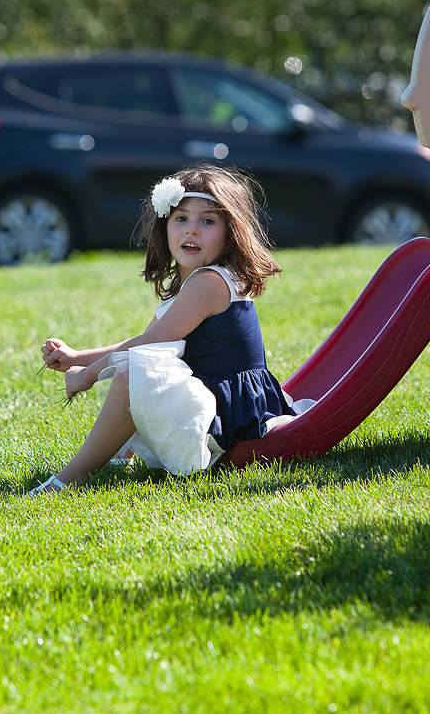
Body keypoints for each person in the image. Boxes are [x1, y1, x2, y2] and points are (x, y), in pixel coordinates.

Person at [29, 165, 307, 496]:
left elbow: (147, 344)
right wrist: (78, 358)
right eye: (181, 219)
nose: (192, 230)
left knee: (135, 374)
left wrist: (85, 375)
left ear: (230, 232)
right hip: (215, 397)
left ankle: (74, 475)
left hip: (232, 413)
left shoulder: (210, 282)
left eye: (207, 221)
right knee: (144, 366)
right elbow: (144, 341)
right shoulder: (189, 283)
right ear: (165, 227)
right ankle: (119, 455)